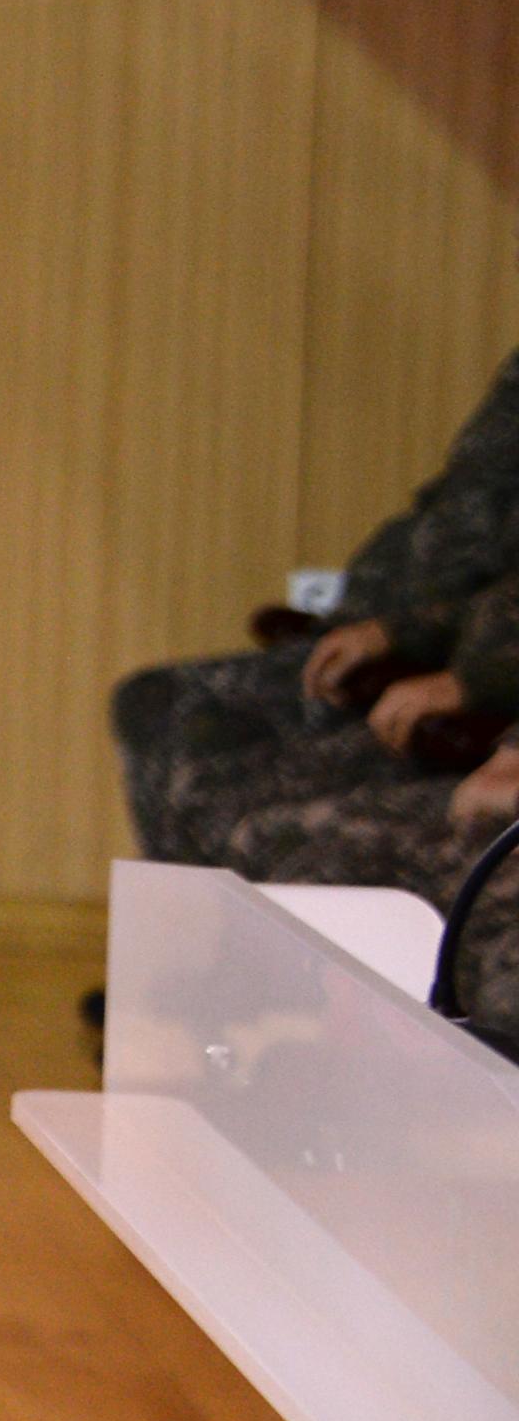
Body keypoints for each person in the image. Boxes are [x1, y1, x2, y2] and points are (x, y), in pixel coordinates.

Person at [114, 340, 519, 979]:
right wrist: (383, 622)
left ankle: (261, 1007)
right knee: (172, 715)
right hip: (441, 656)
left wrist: (471, 677)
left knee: (286, 843)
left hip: (479, 695)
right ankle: (208, 987)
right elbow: (461, 510)